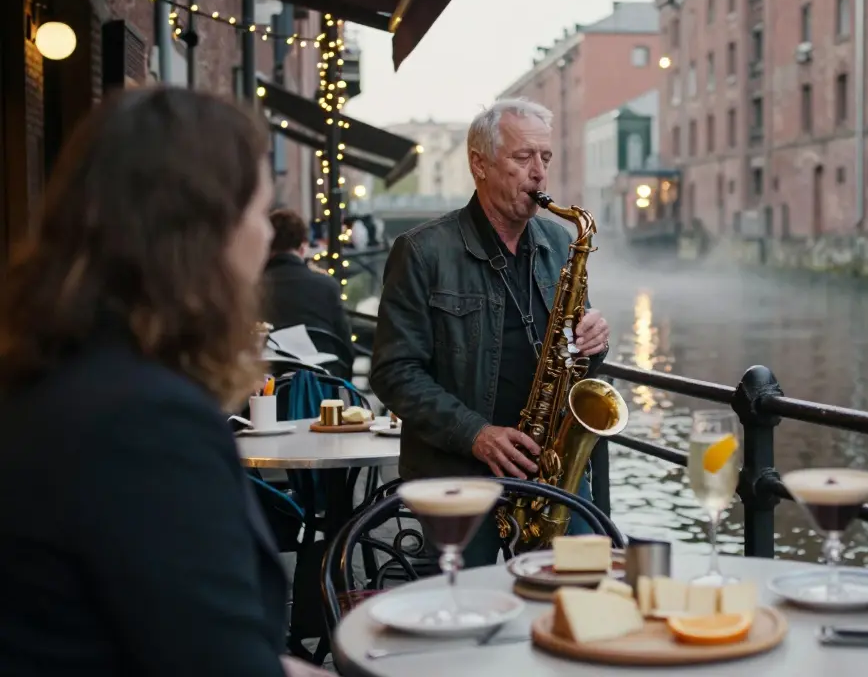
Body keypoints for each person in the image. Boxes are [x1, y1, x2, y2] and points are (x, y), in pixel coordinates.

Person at [0, 88, 327, 677]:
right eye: (258, 212)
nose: (264, 235)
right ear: (206, 234)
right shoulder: (144, 421)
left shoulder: (53, 374)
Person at [370, 97, 610, 567]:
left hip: (552, 471)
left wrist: (592, 343)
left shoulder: (561, 242)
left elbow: (572, 362)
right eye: (523, 158)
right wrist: (476, 434)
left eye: (545, 158)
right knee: (467, 614)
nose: (539, 173)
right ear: (479, 164)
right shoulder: (421, 251)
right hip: (459, 474)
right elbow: (393, 372)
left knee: (578, 596)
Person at [261, 208, 353, 376]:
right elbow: (345, 346)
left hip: (268, 386)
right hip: (322, 382)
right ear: (303, 247)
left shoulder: (254, 286)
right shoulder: (327, 285)